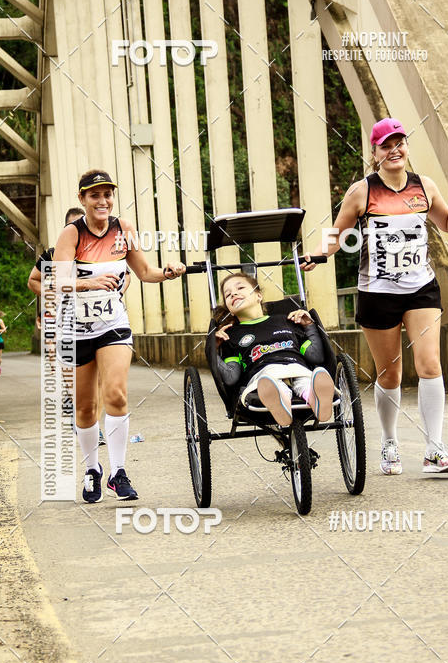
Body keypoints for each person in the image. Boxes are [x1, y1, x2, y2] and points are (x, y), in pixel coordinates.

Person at [306, 117, 448, 475]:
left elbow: (447, 223)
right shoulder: (362, 191)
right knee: (389, 375)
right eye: (386, 145)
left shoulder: (424, 186)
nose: (394, 150)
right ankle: (389, 442)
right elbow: (337, 234)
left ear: (406, 147)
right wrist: (319, 254)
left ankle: (434, 449)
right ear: (374, 153)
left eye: (399, 143)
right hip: (378, 292)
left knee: (430, 364)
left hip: (421, 287)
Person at [53, 169, 185, 503]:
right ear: (82, 199)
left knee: (116, 394)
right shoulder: (71, 234)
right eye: (95, 195)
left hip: (113, 324)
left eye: (107, 194)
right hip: (77, 328)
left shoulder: (123, 228)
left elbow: (144, 271)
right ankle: (93, 470)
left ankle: (118, 472)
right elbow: (57, 281)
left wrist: (167, 272)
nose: (103, 200)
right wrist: (88, 283)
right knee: (85, 408)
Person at [29, 205, 131, 445]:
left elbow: (127, 274)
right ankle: (81, 413)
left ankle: (92, 423)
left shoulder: (107, 251)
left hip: (105, 322)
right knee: (77, 385)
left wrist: (116, 293)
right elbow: (33, 281)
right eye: (76, 226)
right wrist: (54, 292)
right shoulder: (54, 254)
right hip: (68, 323)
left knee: (105, 382)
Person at [213, 272, 334, 425]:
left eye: (240, 288)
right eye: (228, 294)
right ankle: (280, 400)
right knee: (271, 382)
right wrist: (214, 350)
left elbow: (315, 356)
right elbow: (231, 377)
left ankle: (315, 398)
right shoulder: (230, 335)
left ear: (258, 295)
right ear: (229, 309)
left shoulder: (287, 320)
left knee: (307, 379)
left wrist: (309, 326)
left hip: (296, 366)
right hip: (262, 375)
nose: (233, 293)